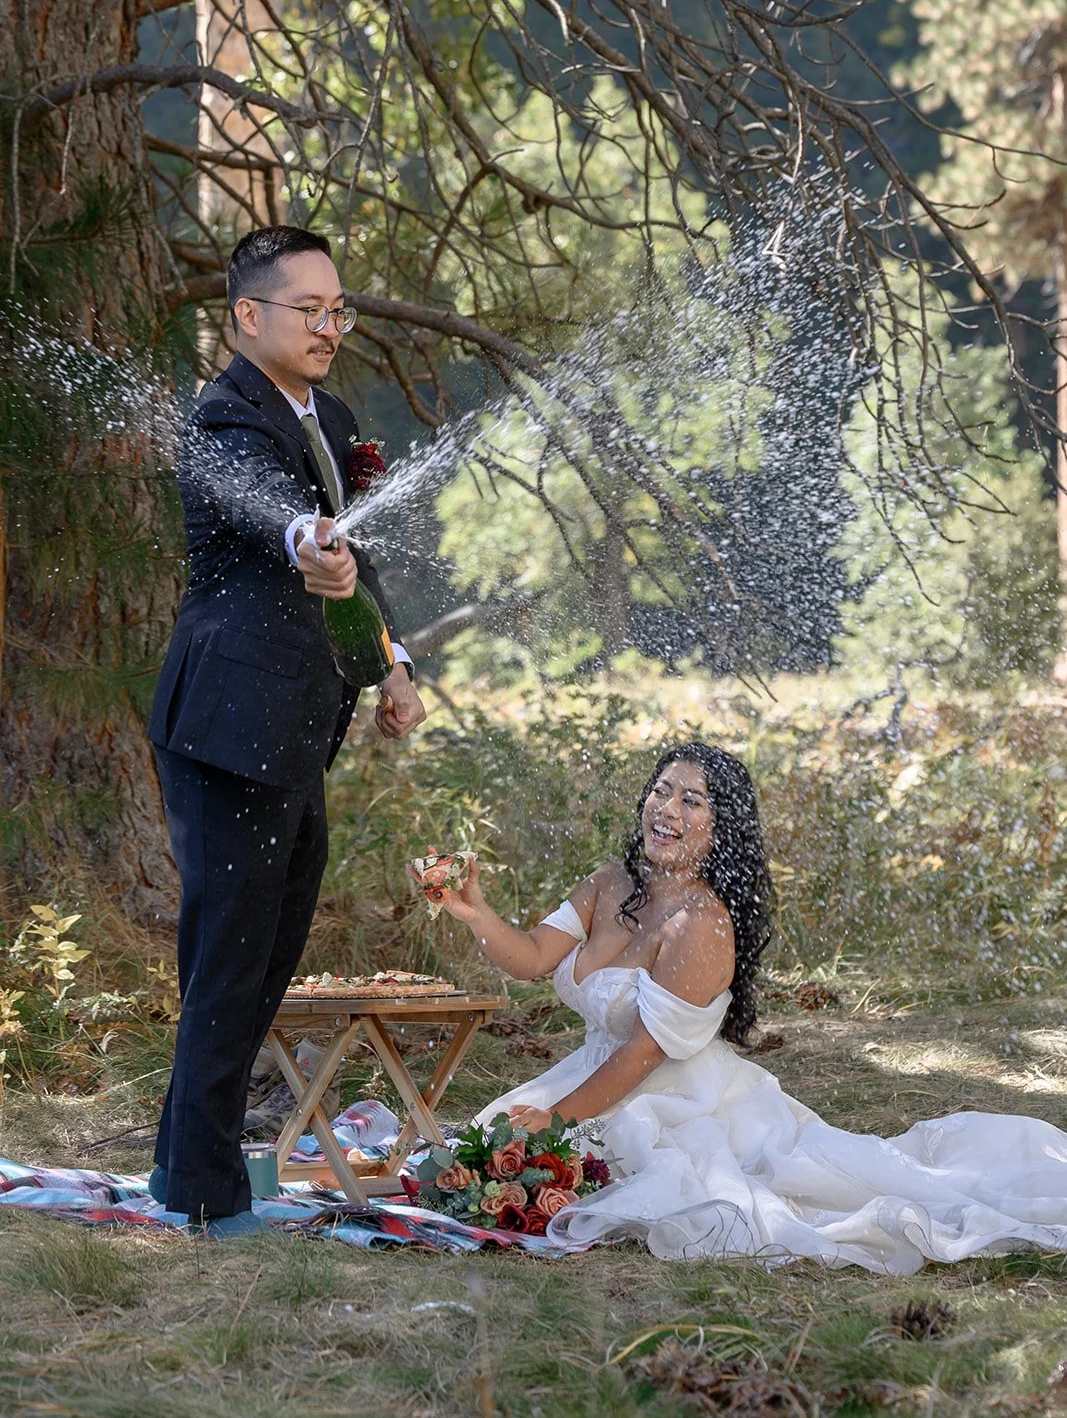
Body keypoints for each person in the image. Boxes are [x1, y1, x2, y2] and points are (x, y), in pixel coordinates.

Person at [431, 743, 1067, 1272]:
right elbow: (532, 956)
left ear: (720, 825)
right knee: (471, 1163)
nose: (667, 808)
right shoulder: (608, 883)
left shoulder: (700, 925)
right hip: (593, 1073)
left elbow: (642, 1054)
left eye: (692, 800)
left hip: (674, 1097)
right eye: (661, 791)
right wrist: (477, 913)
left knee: (593, 1176)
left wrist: (557, 1120)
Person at [147, 225, 426, 1234]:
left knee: (264, 960)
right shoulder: (225, 416)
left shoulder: (333, 413)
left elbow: (351, 553)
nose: (327, 325)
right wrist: (306, 536)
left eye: (337, 308)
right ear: (247, 316)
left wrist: (387, 664)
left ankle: (183, 1168)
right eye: (306, 309)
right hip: (225, 732)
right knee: (228, 960)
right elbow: (281, 515)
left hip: (295, 733)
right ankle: (207, 1196)